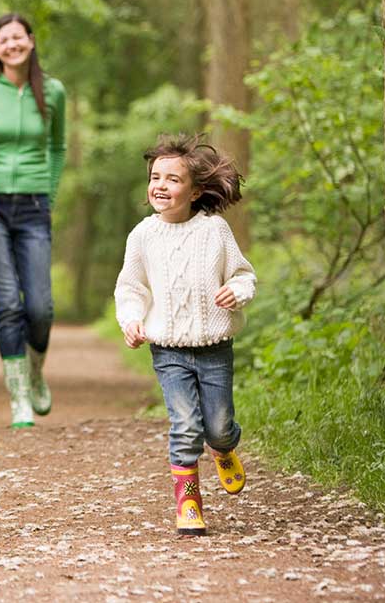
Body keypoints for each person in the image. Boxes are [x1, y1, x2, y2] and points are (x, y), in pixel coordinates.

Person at [114, 133, 256, 537]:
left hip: (214, 348)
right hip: (168, 349)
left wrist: (237, 292)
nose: (160, 185)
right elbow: (131, 287)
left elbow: (243, 274)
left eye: (173, 179)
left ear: (195, 191)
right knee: (185, 425)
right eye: (155, 176)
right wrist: (131, 319)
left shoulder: (214, 231)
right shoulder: (143, 235)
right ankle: (188, 501)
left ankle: (225, 449)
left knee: (218, 427)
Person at [0, 13, 66, 428]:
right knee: (8, 304)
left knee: (40, 307)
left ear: (30, 40)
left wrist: (49, 192)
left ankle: (36, 371)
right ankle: (19, 398)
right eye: (2, 40)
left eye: (18, 37)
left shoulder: (54, 91)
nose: (11, 45)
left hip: (34, 206)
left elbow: (58, 147)